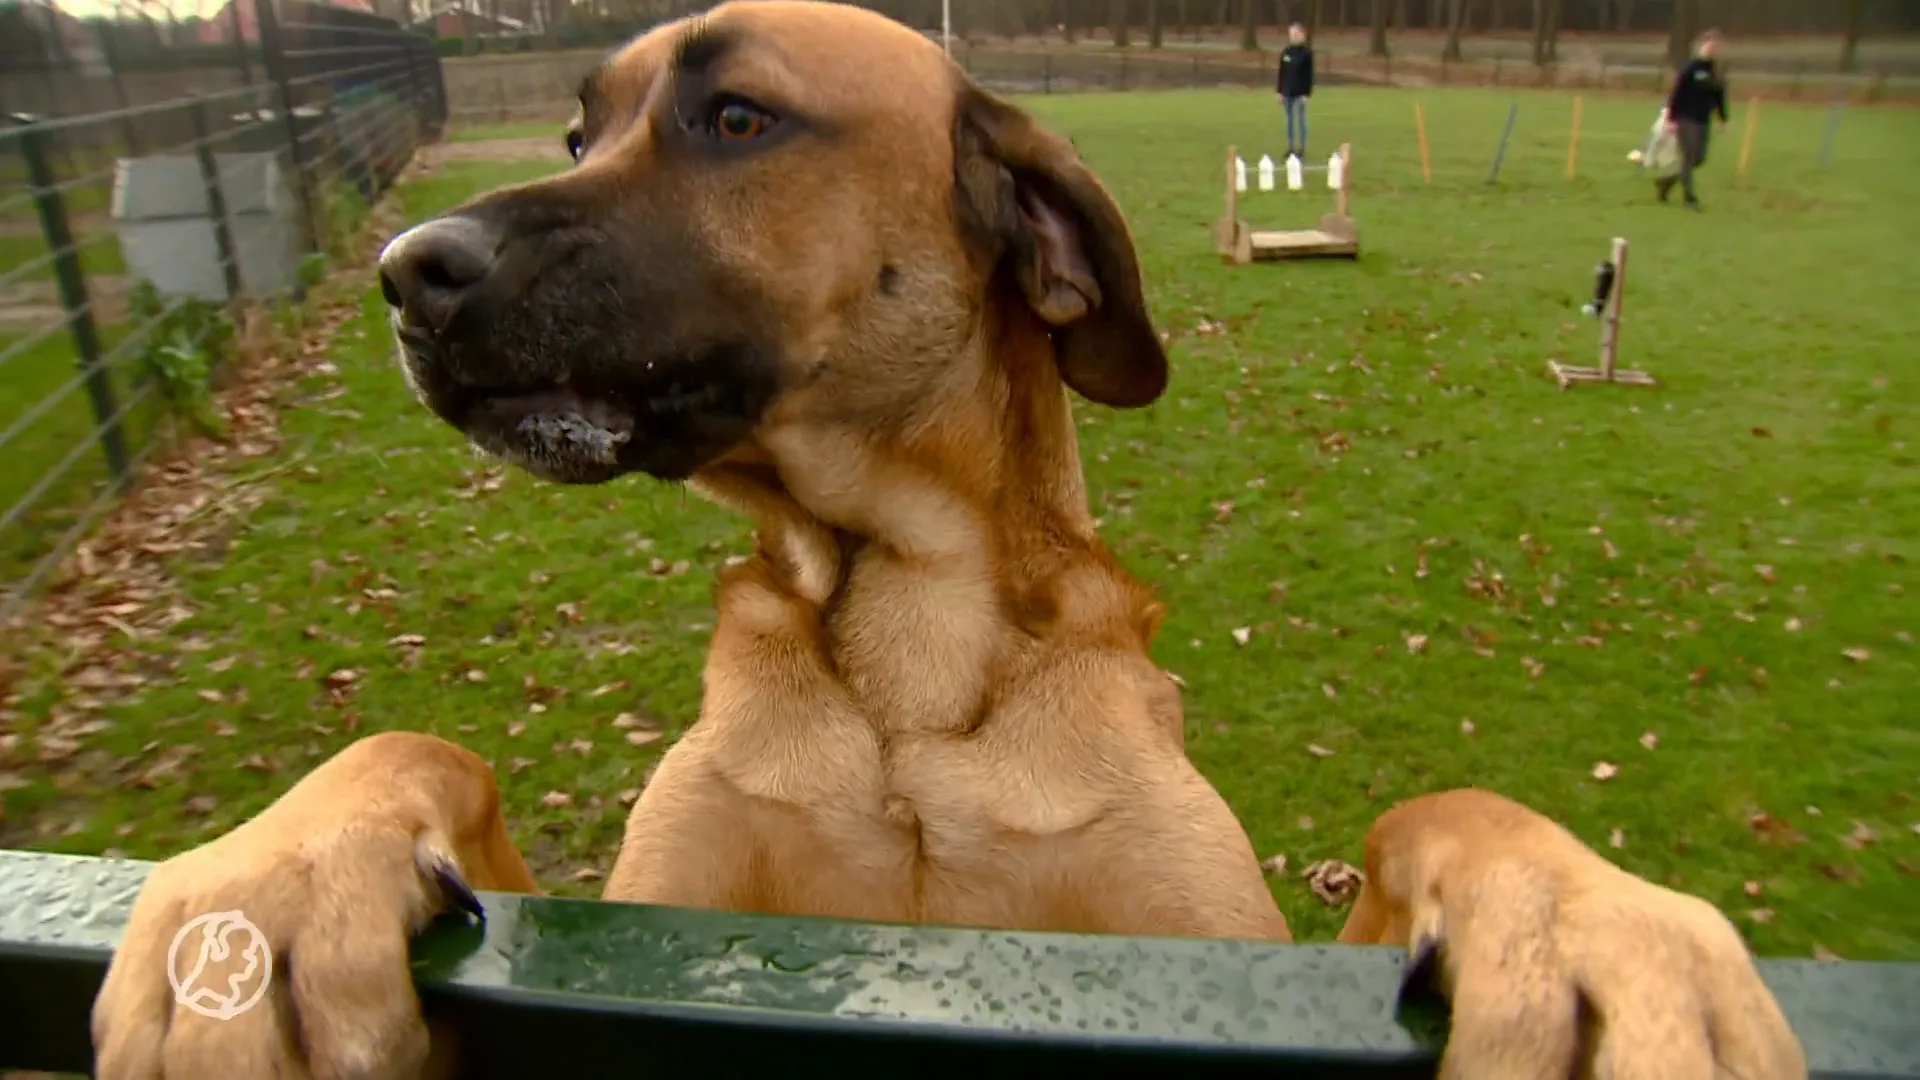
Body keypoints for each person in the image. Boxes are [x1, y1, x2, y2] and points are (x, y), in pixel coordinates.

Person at [1658, 28, 1729, 211]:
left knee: (1699, 158)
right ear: (1702, 46)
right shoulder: (1691, 68)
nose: (1712, 49)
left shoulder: (1716, 72)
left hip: (1703, 119)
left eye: (1716, 46)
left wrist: (1723, 119)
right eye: (1709, 45)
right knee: (1688, 156)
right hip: (1685, 117)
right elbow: (1677, 94)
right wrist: (1670, 119)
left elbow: (1719, 96)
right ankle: (1689, 199)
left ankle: (1666, 182)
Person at [1275, 23, 1314, 162]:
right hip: (1287, 92)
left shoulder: (1307, 53)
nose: (1293, 37)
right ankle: (1290, 148)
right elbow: (1281, 73)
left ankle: (1301, 148)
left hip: (1300, 93)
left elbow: (1309, 75)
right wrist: (1279, 91)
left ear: (1302, 35)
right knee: (1289, 121)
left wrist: (1307, 93)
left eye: (1296, 34)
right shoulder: (1286, 52)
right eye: (1291, 34)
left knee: (1301, 120)